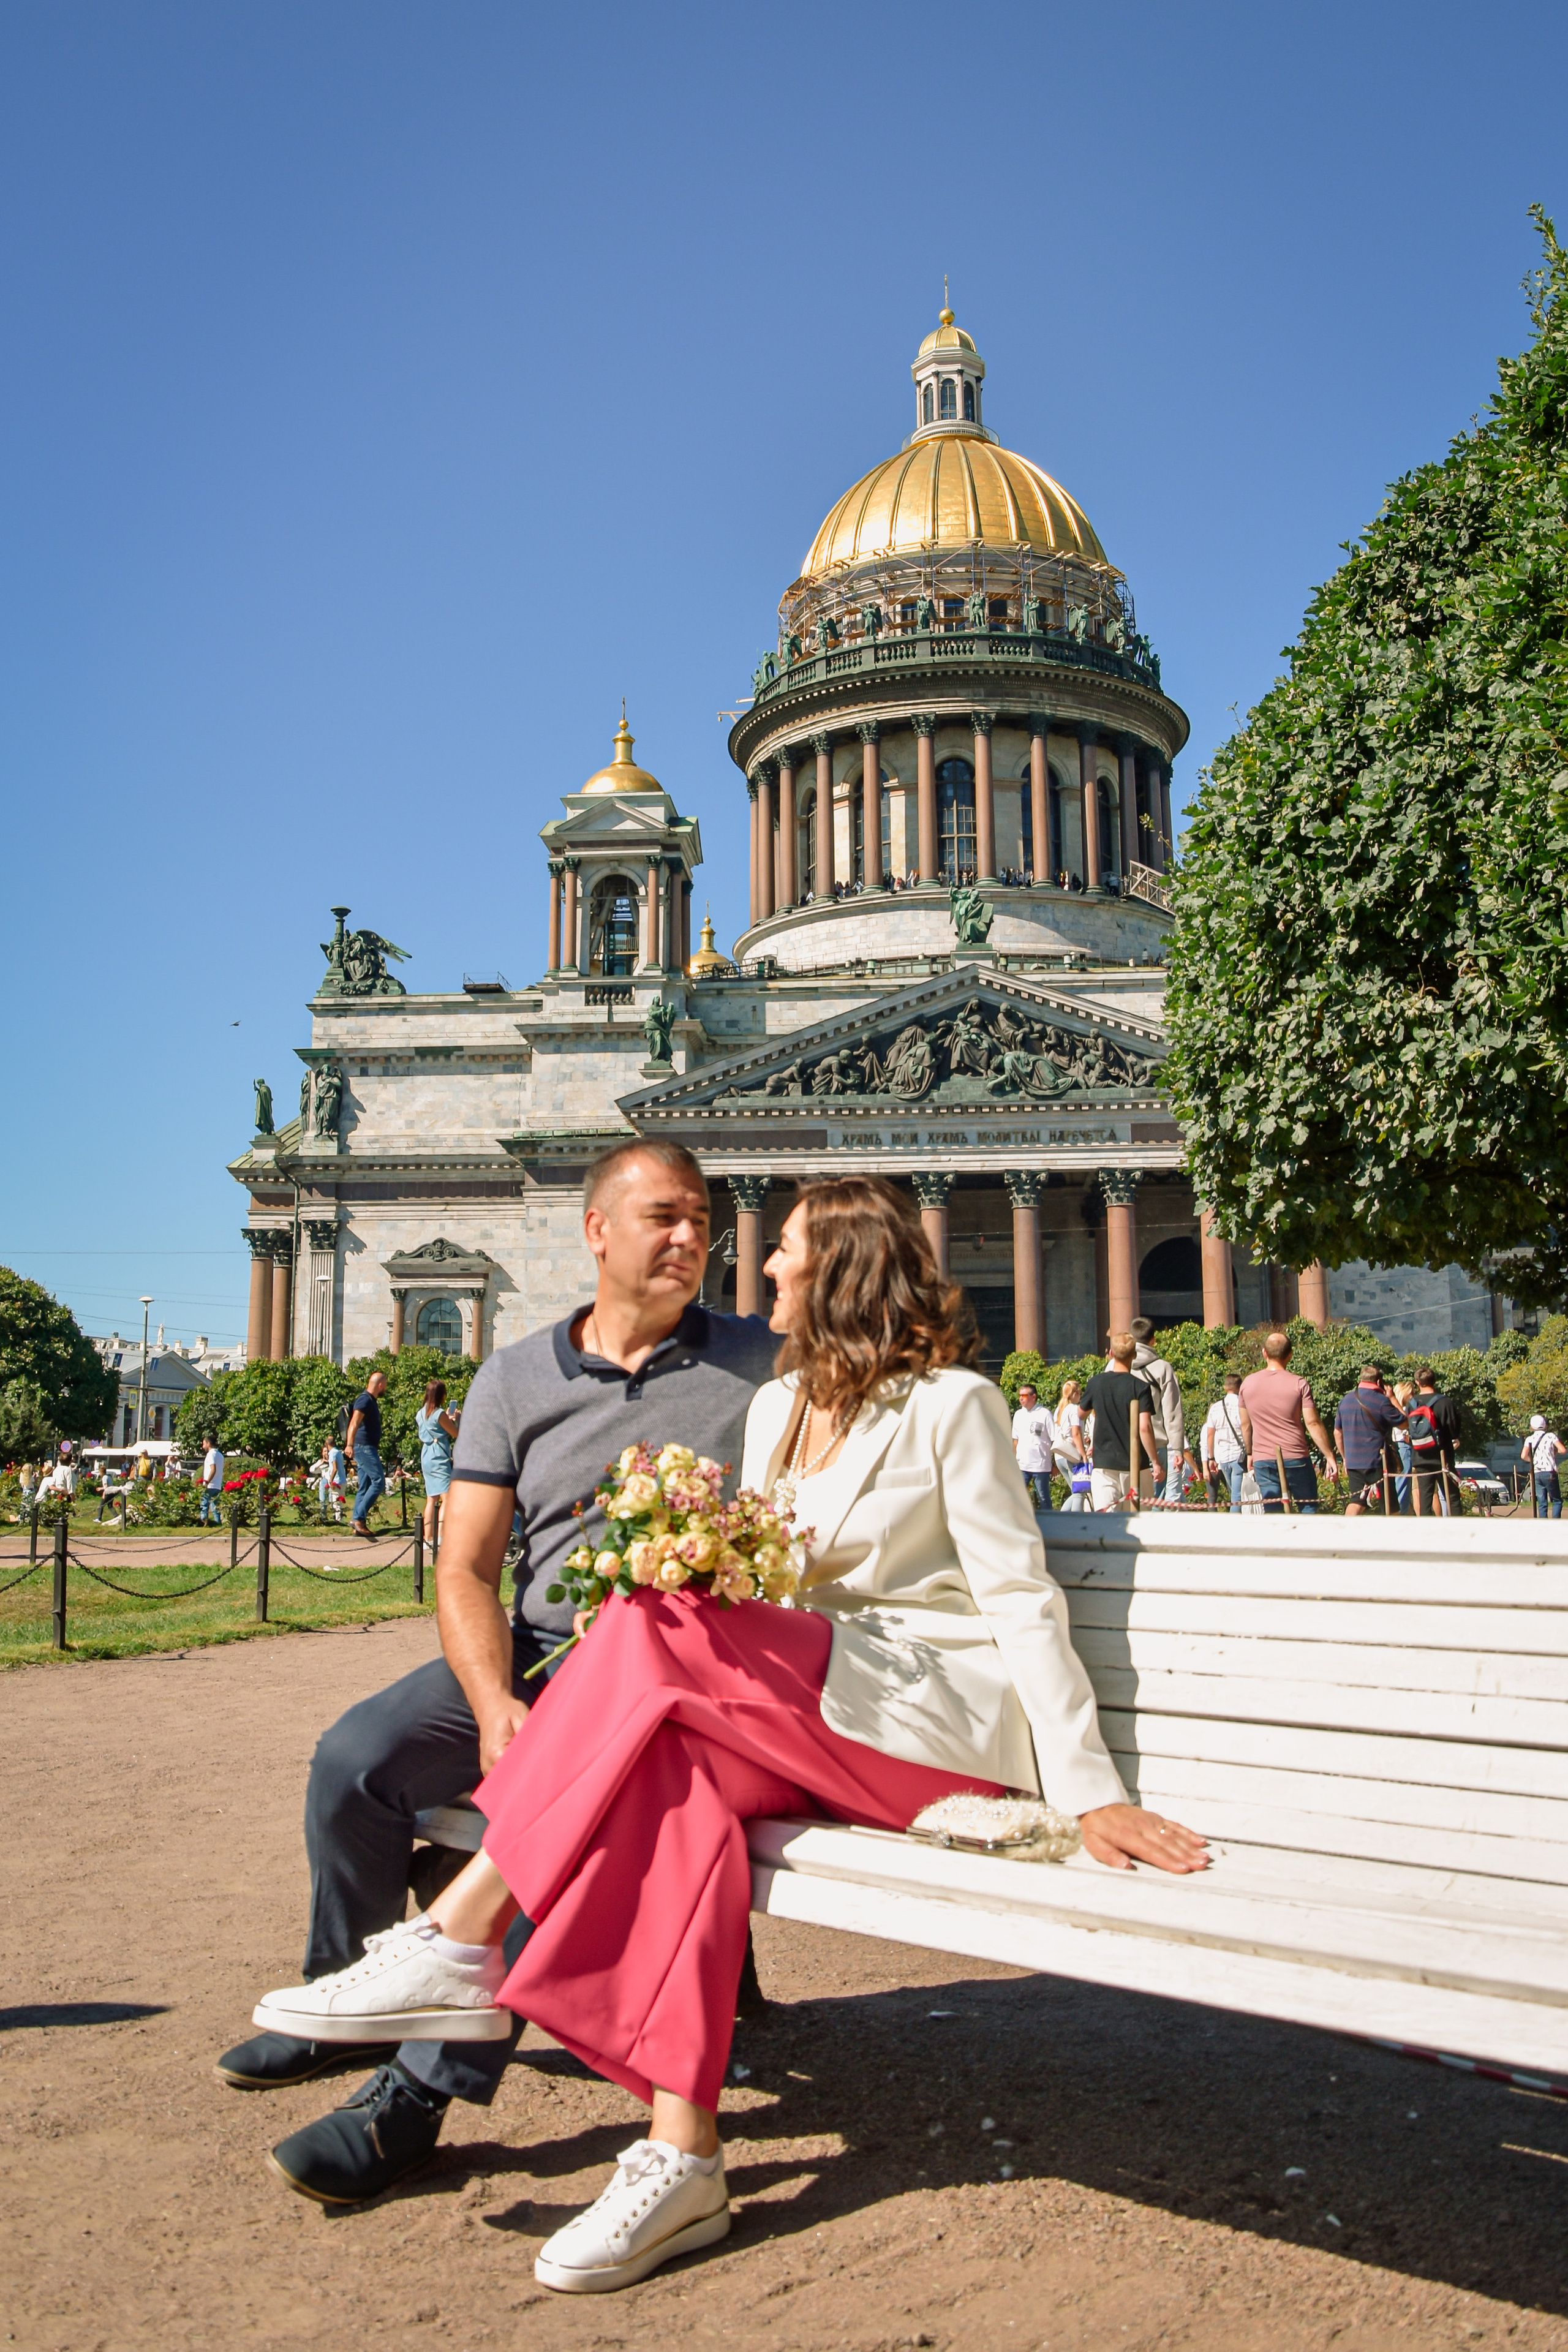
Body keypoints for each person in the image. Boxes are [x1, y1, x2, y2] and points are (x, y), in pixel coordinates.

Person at [252, 1175, 1206, 2291]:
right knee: (673, 1780)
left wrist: (1090, 1790)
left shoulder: (954, 1405)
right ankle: (682, 2150)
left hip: (925, 1726)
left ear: (840, 1266)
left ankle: (460, 1933)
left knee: (658, 1622)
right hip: (796, 1712)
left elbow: (1018, 1596)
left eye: (785, 1250)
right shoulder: (775, 1408)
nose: (761, 1267)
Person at [217, 1140, 777, 2207]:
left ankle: (413, 2101)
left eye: (703, 1219)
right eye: (665, 1215)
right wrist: (491, 1704)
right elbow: (466, 1566)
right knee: (354, 1761)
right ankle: (346, 1997)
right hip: (530, 1653)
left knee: (548, 1815)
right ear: (595, 1230)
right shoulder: (515, 1374)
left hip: (662, 1690)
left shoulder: (759, 1362)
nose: (692, 1238)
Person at [1240, 1332, 1339, 1512]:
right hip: (1296, 1455)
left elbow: (1245, 1425)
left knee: (1273, 1511)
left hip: (1264, 1457)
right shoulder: (1299, 1383)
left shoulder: (1247, 1384)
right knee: (1308, 1506)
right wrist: (1330, 1456)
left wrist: (1250, 1453)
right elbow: (1313, 1423)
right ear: (1290, 1355)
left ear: (1264, 1353)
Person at [1113, 1318, 1186, 1505]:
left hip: (1119, 1443)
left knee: (1125, 1503)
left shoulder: (1113, 1367)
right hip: (1155, 1444)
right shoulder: (1163, 1368)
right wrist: (1178, 1449)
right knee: (1154, 1502)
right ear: (1153, 1340)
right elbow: (1172, 1412)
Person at [1082, 1333, 1158, 1510]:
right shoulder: (1140, 1387)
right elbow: (1144, 1428)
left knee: (1108, 1520)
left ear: (1111, 1354)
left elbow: (1080, 1413)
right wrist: (1156, 1461)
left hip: (1104, 1464)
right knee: (1140, 1520)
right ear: (1134, 1355)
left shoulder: (1096, 1383)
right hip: (1136, 1465)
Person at [1334, 1366, 1405, 1516]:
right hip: (1378, 1462)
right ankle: (1393, 1538)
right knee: (1390, 1507)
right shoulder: (1382, 1401)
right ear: (1379, 1382)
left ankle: (1344, 1534)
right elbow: (1405, 1423)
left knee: (1357, 1501)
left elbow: (1337, 1432)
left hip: (1354, 1461)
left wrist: (1345, 1458)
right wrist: (1392, 1398)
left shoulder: (1346, 1400)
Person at [1406, 1367, 1463, 1517]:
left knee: (1426, 1498)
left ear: (1417, 1382)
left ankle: (1427, 1531)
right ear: (1434, 1381)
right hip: (1443, 1456)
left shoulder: (1412, 1404)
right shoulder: (1445, 1402)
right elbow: (1454, 1431)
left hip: (1420, 1457)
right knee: (1452, 1496)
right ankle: (1458, 1529)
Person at [345, 1371, 389, 1542]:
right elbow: (354, 1423)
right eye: (385, 1385)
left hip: (366, 1447)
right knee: (379, 1482)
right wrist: (349, 1445)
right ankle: (358, 1518)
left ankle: (358, 1525)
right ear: (380, 1385)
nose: (385, 1388)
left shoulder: (370, 1400)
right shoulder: (364, 1399)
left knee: (365, 1485)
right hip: (364, 1447)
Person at [417, 1380, 459, 1548]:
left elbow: (434, 1426)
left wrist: (446, 1419)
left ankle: (428, 1538)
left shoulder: (421, 1413)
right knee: (447, 1497)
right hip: (439, 1455)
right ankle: (441, 1537)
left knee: (431, 1499)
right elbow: (456, 1433)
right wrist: (457, 1419)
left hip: (426, 1454)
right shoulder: (439, 1413)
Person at [1200, 1375, 1246, 1507]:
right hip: (1240, 1456)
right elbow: (1246, 1429)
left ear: (1225, 1387)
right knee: (1238, 1497)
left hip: (1223, 1458)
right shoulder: (1242, 1406)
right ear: (1240, 1387)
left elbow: (1210, 1435)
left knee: (1234, 1494)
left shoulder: (1215, 1408)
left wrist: (1211, 1458)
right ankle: (1236, 1524)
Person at [1010, 1381, 1054, 1509]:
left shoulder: (1045, 1414)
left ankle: (1051, 1522)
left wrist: (1054, 1464)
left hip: (1040, 1465)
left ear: (1033, 1397)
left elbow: (1054, 1439)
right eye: (1020, 1396)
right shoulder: (1019, 1415)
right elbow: (1015, 1440)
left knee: (1044, 1498)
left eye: (1024, 1396)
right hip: (1022, 1465)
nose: (1021, 1399)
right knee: (1017, 1496)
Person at [1522, 1414, 1565, 1518]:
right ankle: (1555, 1523)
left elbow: (1523, 1456)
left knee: (1542, 1502)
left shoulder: (1529, 1439)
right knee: (1557, 1500)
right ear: (1545, 1425)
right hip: (1550, 1472)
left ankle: (1543, 1524)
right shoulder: (1551, 1436)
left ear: (1532, 1427)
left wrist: (1533, 1461)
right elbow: (1563, 1450)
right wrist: (1554, 1454)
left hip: (1537, 1473)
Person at [1052, 1378, 1086, 1484]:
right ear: (1074, 1394)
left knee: (1076, 1493)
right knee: (1080, 1493)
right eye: (1080, 1393)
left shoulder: (1059, 1409)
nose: (1080, 1396)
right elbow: (1075, 1434)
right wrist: (1084, 1455)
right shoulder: (1074, 1409)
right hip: (1073, 1455)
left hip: (1060, 1455)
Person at [1390, 1381, 1416, 1513]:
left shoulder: (1394, 1408)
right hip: (1403, 1444)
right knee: (1403, 1479)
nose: (1413, 1396)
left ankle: (1403, 1510)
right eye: (1411, 1392)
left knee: (1402, 1479)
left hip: (1398, 1444)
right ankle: (1401, 1511)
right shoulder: (1404, 1409)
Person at [200, 1437, 226, 1526]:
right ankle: (217, 1522)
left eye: (204, 1444)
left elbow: (213, 1469)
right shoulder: (220, 1455)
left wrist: (207, 1481)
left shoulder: (211, 1454)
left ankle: (204, 1522)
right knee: (216, 1507)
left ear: (209, 1444)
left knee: (204, 1505)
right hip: (218, 1485)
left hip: (210, 1485)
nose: (203, 1446)